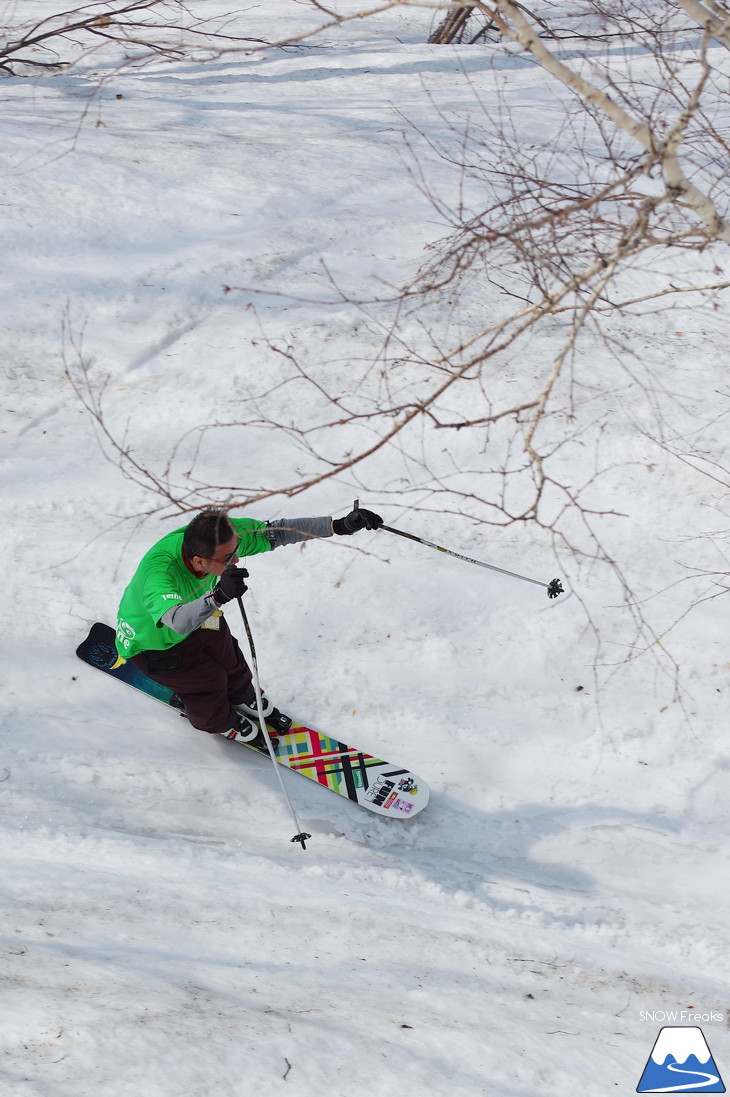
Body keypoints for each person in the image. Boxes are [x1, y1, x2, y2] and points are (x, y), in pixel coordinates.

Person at [115, 503, 383, 749]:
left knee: (228, 655)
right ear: (198, 561)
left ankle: (243, 695)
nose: (237, 560)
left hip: (202, 613)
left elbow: (279, 532)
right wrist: (218, 595)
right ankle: (220, 721)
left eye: (235, 552)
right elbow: (178, 622)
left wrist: (339, 525)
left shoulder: (223, 536)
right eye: (228, 558)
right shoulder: (160, 573)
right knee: (207, 680)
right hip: (155, 643)